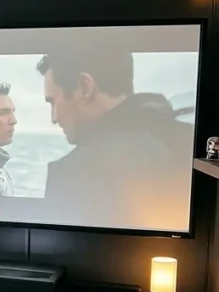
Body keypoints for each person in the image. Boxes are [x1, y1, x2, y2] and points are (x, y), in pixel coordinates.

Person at [37, 48, 192, 226]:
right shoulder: (190, 142)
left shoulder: (73, 172)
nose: (54, 118)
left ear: (85, 87)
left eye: (53, 102)